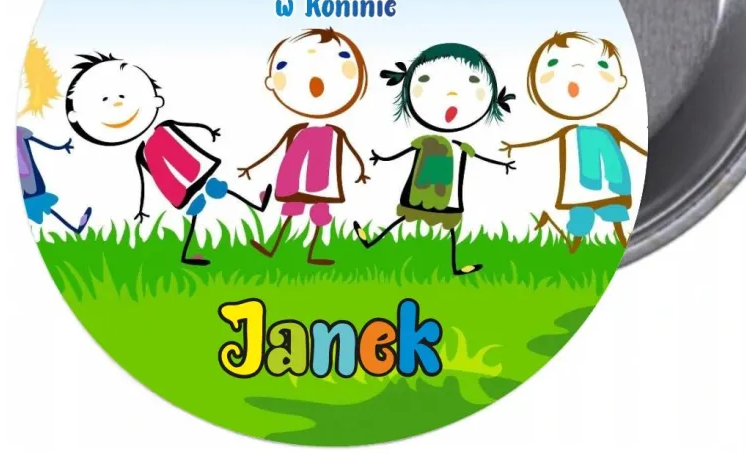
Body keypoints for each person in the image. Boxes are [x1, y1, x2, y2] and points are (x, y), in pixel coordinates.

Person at [65, 52, 269, 266]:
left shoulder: (164, 129)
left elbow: (188, 127)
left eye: (122, 96)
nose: (116, 103)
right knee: (198, 210)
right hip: (177, 187)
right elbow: (144, 179)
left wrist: (208, 131)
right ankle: (189, 253)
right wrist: (142, 208)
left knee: (219, 188)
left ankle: (256, 204)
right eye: (105, 99)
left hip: (195, 170)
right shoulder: (142, 152)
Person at [354, 42, 515, 277]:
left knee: (448, 228)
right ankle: (373, 242)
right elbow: (405, 153)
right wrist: (383, 158)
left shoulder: (460, 146)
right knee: (407, 216)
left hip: (447, 196)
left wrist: (503, 163)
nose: (451, 95)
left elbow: (479, 157)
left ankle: (454, 266)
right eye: (426, 82)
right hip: (420, 191)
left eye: (472, 83)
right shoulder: (426, 141)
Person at [502, 30, 646, 251]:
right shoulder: (571, 132)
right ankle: (573, 247)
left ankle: (612, 238)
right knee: (582, 220)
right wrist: (515, 145)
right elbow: (544, 140)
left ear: (621, 80)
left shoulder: (607, 130)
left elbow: (631, 144)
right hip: (580, 188)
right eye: (553, 63)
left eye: (602, 65)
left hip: (609, 184)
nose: (576, 70)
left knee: (614, 214)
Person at [237, 28, 369, 267]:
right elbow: (276, 149)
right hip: (295, 180)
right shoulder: (296, 130)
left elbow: (350, 150)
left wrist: (360, 170)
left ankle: (311, 253)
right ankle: (272, 247)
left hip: (322, 182)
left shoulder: (335, 132)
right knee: (291, 211)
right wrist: (252, 166)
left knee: (318, 214)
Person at [17, 39, 91, 235]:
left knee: (42, 205)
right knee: (40, 206)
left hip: (31, 180)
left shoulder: (21, 131)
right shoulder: (20, 131)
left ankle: (74, 228)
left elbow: (38, 142)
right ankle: (74, 228)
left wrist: (60, 147)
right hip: (29, 181)